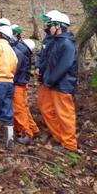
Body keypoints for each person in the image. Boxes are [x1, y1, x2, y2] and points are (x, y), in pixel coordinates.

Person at [40, 12, 78, 152]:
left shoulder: (67, 44)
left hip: (62, 85)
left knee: (65, 114)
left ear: (59, 26)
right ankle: (59, 138)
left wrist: (49, 80)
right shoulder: (56, 41)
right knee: (47, 110)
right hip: (52, 84)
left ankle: (69, 144)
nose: (48, 28)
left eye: (51, 25)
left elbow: (63, 66)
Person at [10, 25, 39, 145]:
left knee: (19, 109)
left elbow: (15, 69)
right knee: (23, 107)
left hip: (18, 84)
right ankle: (33, 129)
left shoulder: (19, 52)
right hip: (21, 84)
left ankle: (26, 133)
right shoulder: (25, 53)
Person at [35, 10, 60, 131]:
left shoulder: (56, 40)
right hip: (43, 77)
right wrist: (38, 66)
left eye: (45, 21)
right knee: (42, 104)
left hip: (51, 80)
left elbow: (52, 60)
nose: (43, 23)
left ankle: (58, 134)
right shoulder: (47, 37)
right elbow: (41, 54)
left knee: (49, 108)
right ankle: (51, 129)